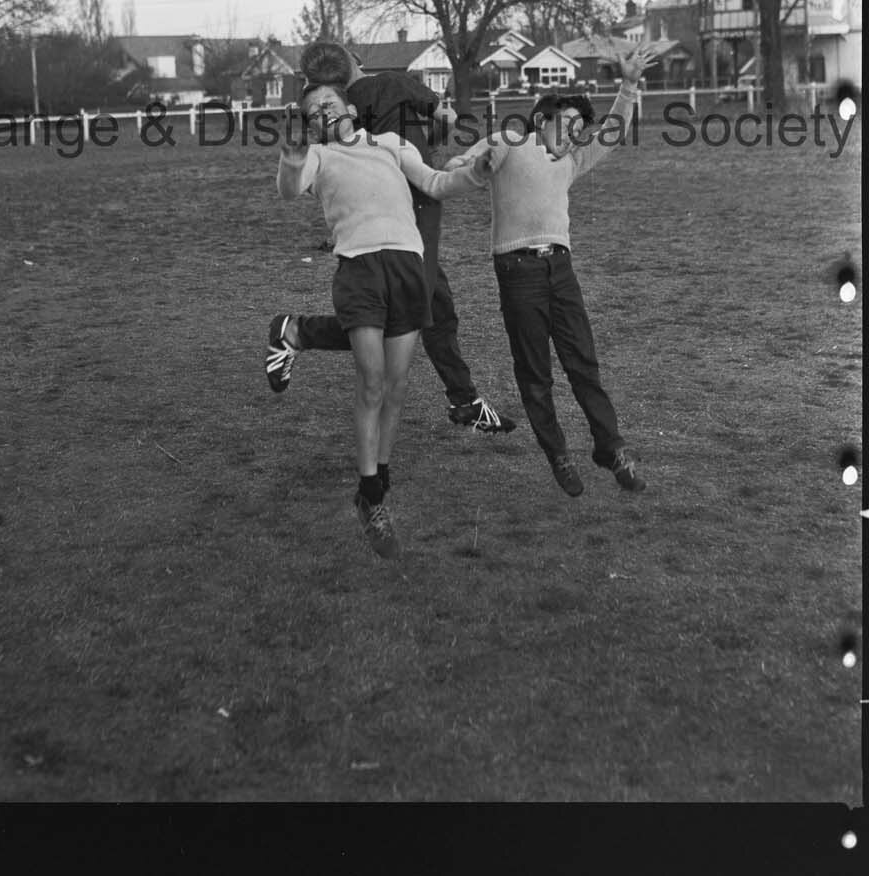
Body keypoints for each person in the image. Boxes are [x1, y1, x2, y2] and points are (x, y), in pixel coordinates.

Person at [277, 80, 489, 558]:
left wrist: (476, 172)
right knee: (371, 382)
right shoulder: (318, 157)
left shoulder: (392, 145)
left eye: (329, 102)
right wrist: (291, 159)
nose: (323, 112)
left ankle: (377, 485)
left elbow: (435, 183)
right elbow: (289, 192)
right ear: (309, 124)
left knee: (396, 388)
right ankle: (370, 489)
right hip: (360, 269)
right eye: (313, 111)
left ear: (351, 108)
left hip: (407, 267)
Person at [266, 40, 516, 435]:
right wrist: (427, 144)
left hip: (377, 210)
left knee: (435, 303)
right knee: (410, 311)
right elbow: (447, 118)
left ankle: (465, 400)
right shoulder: (395, 85)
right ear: (356, 59)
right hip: (416, 201)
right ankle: (297, 331)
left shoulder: (336, 109)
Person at [446, 41, 659, 497]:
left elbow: (613, 132)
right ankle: (557, 453)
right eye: (568, 124)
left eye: (580, 128)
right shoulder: (507, 143)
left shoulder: (571, 162)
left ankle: (611, 447)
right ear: (542, 119)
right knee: (535, 371)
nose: (575, 133)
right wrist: (477, 167)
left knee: (584, 363)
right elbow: (459, 167)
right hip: (517, 272)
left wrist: (629, 84)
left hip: (561, 271)